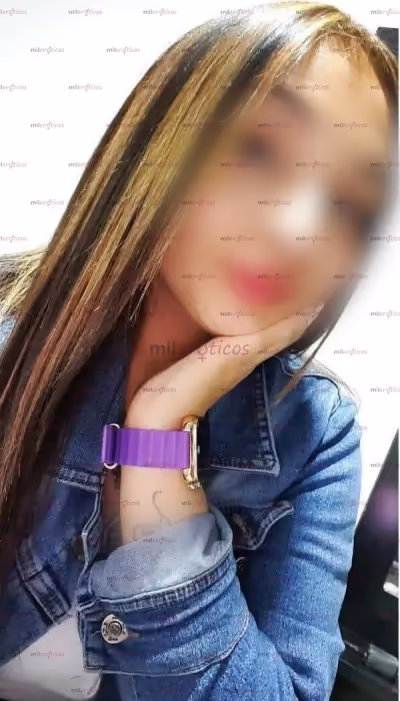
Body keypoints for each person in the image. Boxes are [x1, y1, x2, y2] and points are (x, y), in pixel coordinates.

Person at [0, 2, 397, 700]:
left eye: (347, 206)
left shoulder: (315, 430)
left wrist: (159, 446)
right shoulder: (14, 331)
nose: (298, 231)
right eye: (260, 151)